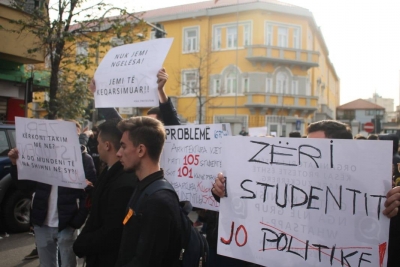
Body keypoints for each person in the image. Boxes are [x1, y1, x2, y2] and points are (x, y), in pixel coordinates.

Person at [213, 120, 400, 266]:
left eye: (316, 150)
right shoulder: (291, 178)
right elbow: (255, 196)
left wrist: (395, 208)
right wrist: (223, 190)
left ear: (342, 150)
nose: (307, 155)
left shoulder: (369, 189)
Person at [114, 116, 182, 267]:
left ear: (141, 150)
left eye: (123, 146)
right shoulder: (144, 188)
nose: (118, 153)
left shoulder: (159, 201)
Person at [73, 119, 136, 267]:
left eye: (98, 143)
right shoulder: (109, 172)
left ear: (107, 145)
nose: (96, 147)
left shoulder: (124, 182)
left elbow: (112, 232)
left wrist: (82, 244)